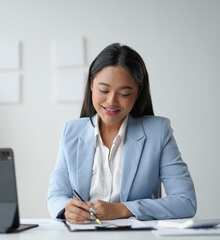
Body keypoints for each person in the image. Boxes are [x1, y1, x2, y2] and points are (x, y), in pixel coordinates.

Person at [46, 43, 196, 223]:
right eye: (104, 90)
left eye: (124, 93)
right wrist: (66, 210)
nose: (111, 101)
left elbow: (185, 202)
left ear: (138, 93)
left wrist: (123, 209)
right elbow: (56, 196)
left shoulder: (158, 131)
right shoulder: (71, 131)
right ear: (92, 85)